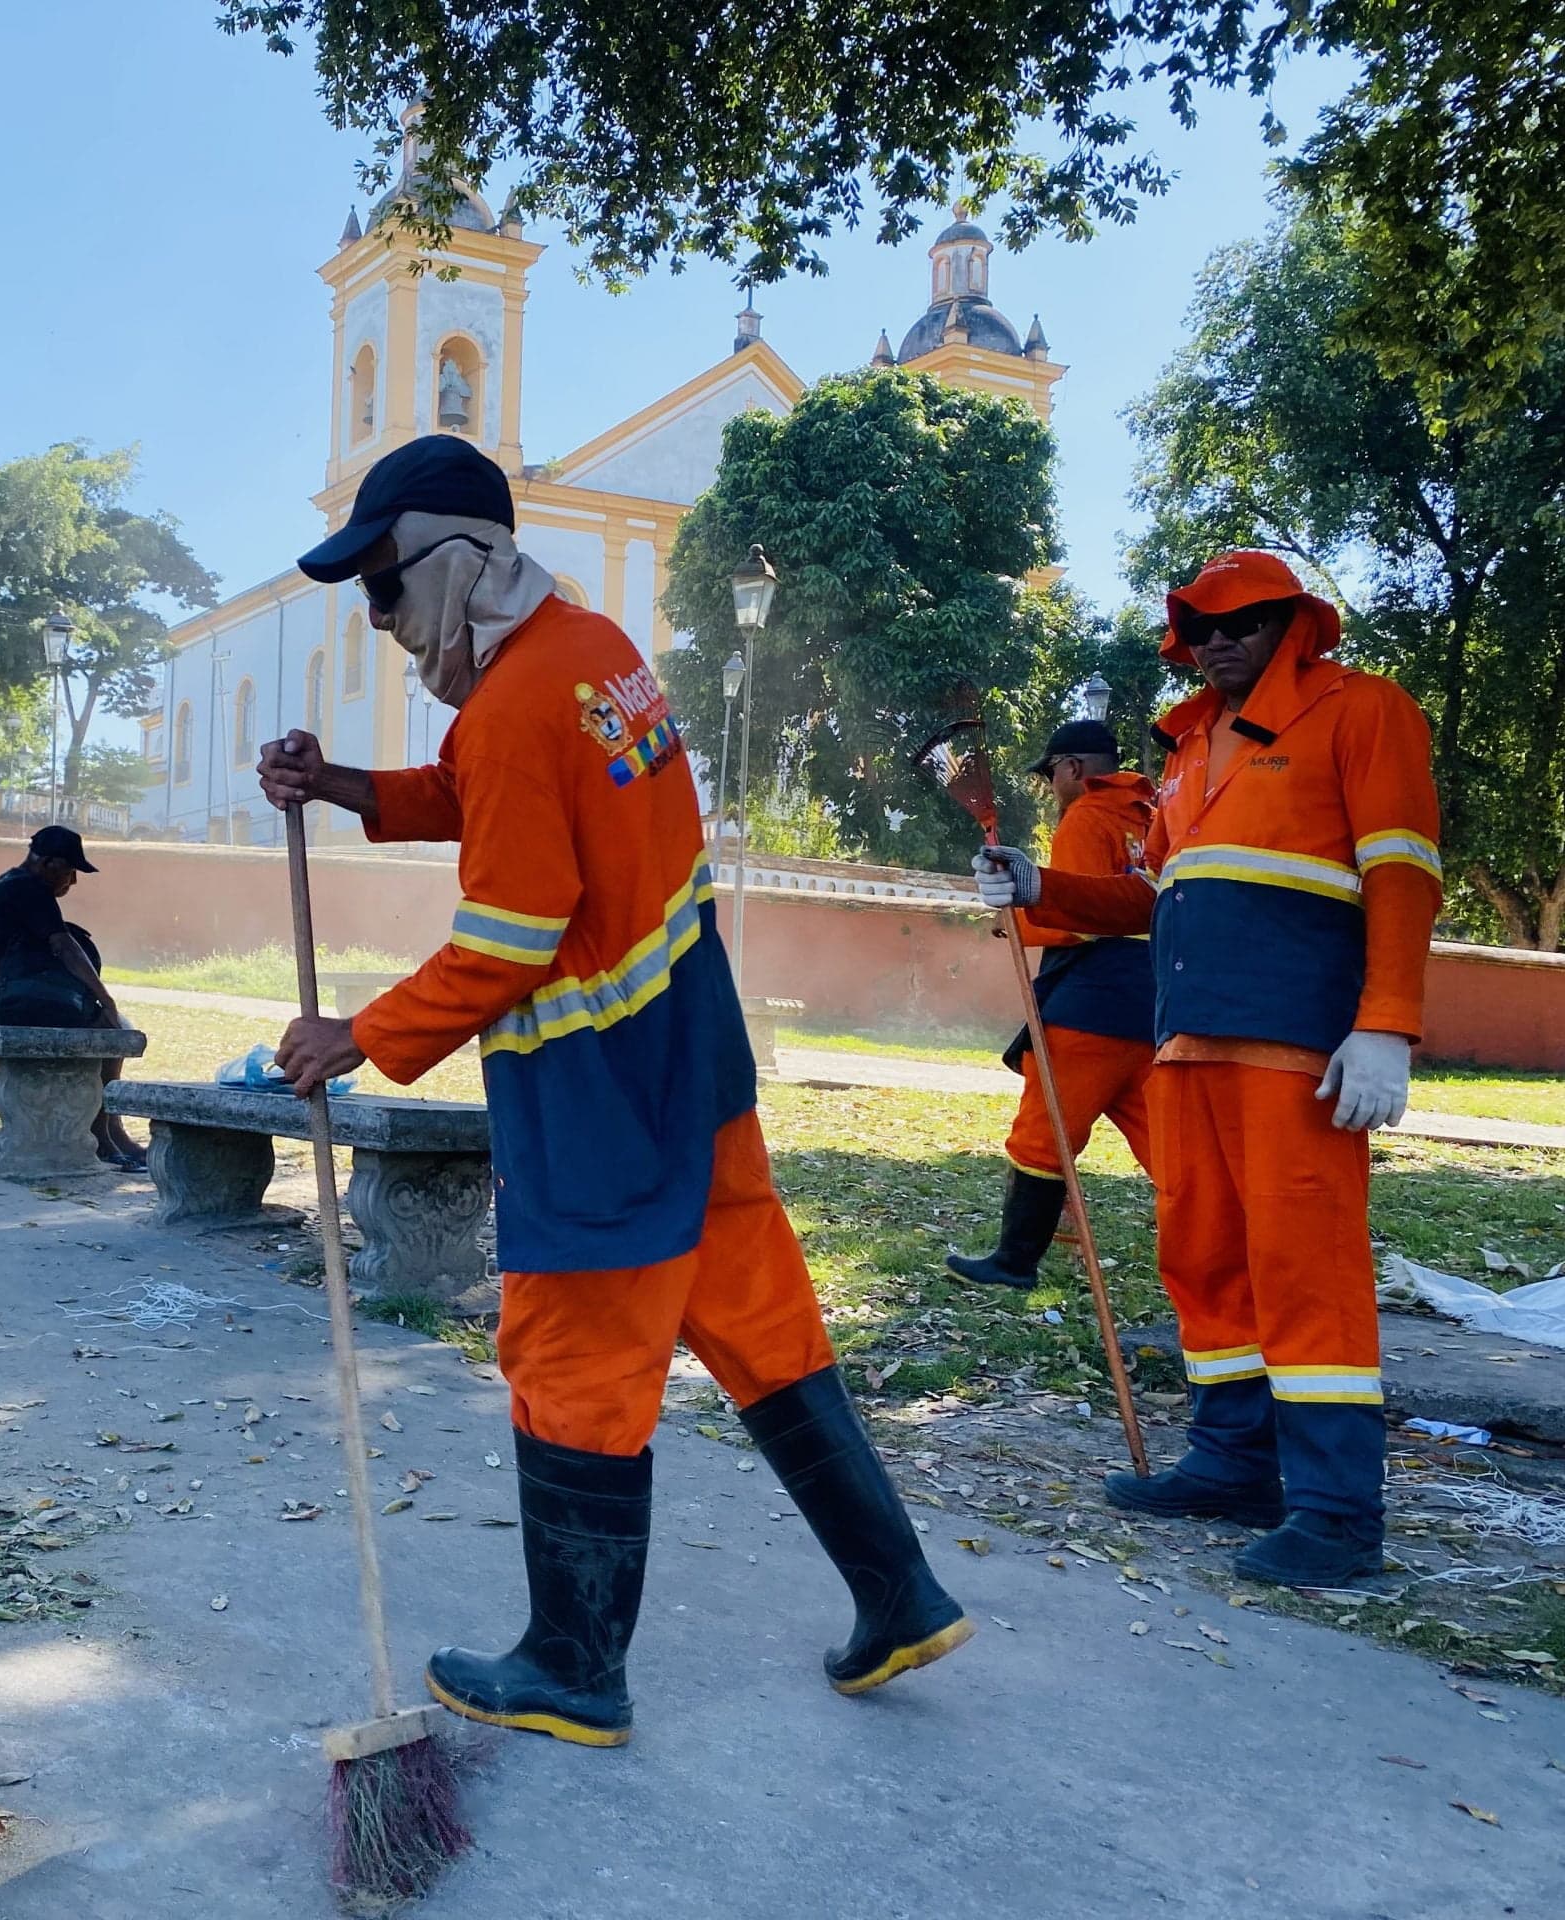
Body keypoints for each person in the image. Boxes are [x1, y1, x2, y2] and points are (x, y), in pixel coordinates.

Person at [259, 434, 969, 1748]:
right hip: (695, 1071)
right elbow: (497, 793)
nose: (381, 624)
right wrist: (348, 785)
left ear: (459, 562)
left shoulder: (522, 703)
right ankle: (900, 1593)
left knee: (570, 1359)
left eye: (385, 587)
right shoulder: (592, 659)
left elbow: (510, 940)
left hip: (600, 1104)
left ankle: (577, 1666)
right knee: (765, 1331)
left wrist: (352, 1036)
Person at [974, 550, 1440, 1586]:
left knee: (1304, 1271)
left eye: (1244, 620)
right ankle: (1233, 1464)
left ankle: (1333, 1514)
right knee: (1203, 1260)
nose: (1217, 638)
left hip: (1298, 1052)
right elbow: (1145, 903)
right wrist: (1035, 880)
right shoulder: (1187, 752)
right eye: (1199, 624)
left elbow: (1404, 873)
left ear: (1295, 624)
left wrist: (1386, 1025)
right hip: (1180, 1044)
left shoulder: (1363, 711)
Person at [945, 718, 1158, 1288]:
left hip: (1093, 1005)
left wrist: (1010, 919)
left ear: (1071, 768)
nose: (1052, 788)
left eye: (1051, 775)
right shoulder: (1155, 816)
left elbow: (1083, 919)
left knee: (1044, 1132)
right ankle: (1235, 1247)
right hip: (1157, 1004)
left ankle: (1014, 1261)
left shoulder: (1087, 815)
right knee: (1170, 1147)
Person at [0, 823, 147, 1171]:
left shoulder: (16, 883)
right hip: (6, 1008)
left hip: (7, 1002)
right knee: (113, 1030)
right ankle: (101, 1133)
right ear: (48, 863)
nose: (73, 881)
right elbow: (64, 945)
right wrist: (106, 1000)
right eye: (70, 871)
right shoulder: (28, 888)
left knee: (116, 1027)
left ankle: (110, 1128)